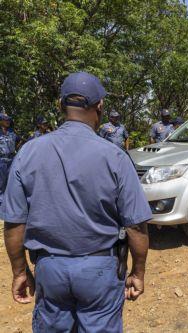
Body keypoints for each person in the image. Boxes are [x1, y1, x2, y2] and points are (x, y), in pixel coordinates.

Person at [2, 71, 152, 332]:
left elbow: (14, 223)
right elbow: (136, 226)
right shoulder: (115, 156)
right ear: (100, 106)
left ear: (61, 106)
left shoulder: (28, 151)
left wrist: (20, 271)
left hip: (50, 269)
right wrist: (138, 272)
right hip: (100, 272)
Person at [0, 113, 20, 205]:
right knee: (1, 182)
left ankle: (9, 201)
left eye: (8, 119)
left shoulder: (12, 132)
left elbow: (18, 141)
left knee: (12, 181)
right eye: (5, 119)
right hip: (2, 160)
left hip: (12, 159)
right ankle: (1, 202)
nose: (8, 121)